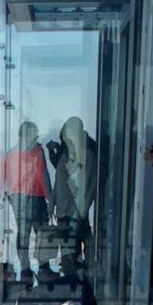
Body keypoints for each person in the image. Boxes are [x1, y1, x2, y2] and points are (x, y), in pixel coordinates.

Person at [48, 116, 97, 274]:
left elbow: (90, 183)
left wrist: (84, 206)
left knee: (73, 253)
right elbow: (59, 181)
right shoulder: (67, 153)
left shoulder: (87, 154)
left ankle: (79, 283)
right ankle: (74, 281)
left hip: (75, 210)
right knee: (69, 253)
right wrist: (52, 203)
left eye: (66, 135)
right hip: (64, 210)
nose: (64, 138)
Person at [3, 121, 51, 280]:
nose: (37, 135)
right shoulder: (37, 151)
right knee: (42, 232)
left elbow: (8, 178)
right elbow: (42, 176)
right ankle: (44, 267)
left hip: (17, 197)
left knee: (23, 233)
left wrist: (11, 196)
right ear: (30, 134)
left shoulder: (11, 152)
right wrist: (51, 198)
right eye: (35, 132)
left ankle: (24, 268)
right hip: (36, 196)